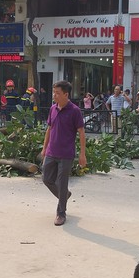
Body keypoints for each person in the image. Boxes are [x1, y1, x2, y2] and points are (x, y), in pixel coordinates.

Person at [40, 80, 87, 226]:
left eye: (57, 93)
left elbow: (81, 132)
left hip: (66, 154)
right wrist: (44, 147)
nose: (54, 96)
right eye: (54, 92)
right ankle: (64, 195)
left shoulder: (74, 111)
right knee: (46, 179)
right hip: (51, 152)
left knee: (62, 182)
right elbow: (49, 128)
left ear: (66, 94)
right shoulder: (53, 109)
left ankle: (61, 213)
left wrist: (82, 154)